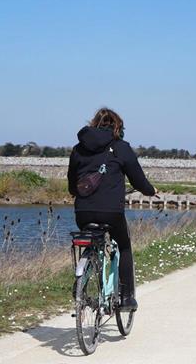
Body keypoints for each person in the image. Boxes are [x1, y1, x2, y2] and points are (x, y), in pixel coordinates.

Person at [67, 108, 157, 311]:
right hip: (111, 212)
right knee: (124, 246)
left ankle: (83, 282)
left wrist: (77, 192)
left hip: (82, 212)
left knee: (89, 239)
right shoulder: (121, 147)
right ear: (118, 128)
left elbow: (72, 183)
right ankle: (126, 298)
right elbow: (139, 181)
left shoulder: (78, 149)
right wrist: (150, 192)